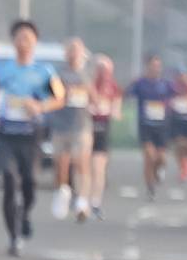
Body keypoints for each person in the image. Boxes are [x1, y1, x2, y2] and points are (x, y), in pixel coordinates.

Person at [0, 19, 63, 254]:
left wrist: (39, 106)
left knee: (30, 182)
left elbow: (59, 98)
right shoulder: (3, 69)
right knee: (9, 180)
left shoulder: (44, 72)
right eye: (20, 37)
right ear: (13, 41)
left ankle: (25, 213)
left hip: (31, 135)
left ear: (35, 42)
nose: (24, 42)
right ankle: (14, 237)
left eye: (28, 38)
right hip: (6, 134)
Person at [49, 35, 93, 219]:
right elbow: (51, 95)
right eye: (71, 50)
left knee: (81, 162)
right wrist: (64, 93)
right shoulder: (58, 74)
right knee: (61, 165)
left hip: (81, 125)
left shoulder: (88, 73)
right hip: (60, 125)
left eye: (77, 50)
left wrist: (85, 88)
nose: (74, 54)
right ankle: (63, 191)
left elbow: (96, 96)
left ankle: (82, 201)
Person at [127, 54, 179, 200]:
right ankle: (150, 187)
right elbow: (127, 93)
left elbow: (178, 94)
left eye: (158, 66)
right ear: (148, 67)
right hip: (146, 125)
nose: (156, 69)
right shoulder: (141, 83)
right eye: (153, 66)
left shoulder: (166, 84)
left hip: (162, 126)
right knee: (149, 156)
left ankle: (159, 170)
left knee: (161, 158)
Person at [84, 55, 122, 216]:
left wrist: (110, 110)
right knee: (84, 166)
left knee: (98, 167)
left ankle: (96, 201)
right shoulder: (87, 84)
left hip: (103, 129)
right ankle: (82, 199)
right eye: (100, 69)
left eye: (106, 70)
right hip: (86, 129)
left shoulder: (113, 87)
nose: (103, 73)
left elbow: (117, 110)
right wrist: (89, 107)